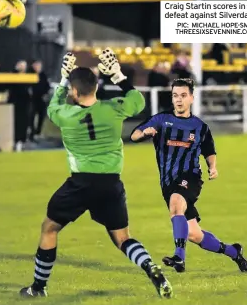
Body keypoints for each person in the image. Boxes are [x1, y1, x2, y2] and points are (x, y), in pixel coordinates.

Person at [19, 49, 173, 299]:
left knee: (49, 228)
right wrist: (118, 76)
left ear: (75, 91)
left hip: (79, 184)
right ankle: (150, 267)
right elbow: (139, 102)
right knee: (123, 238)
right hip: (111, 184)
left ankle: (38, 288)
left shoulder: (66, 115)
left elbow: (51, 108)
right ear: (96, 87)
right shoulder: (113, 109)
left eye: (71, 89)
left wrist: (62, 79)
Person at [130, 78, 247, 274]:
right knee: (194, 234)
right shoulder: (161, 119)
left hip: (191, 177)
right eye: (175, 95)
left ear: (192, 98)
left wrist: (213, 167)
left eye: (183, 95)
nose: (179, 100)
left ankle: (179, 257)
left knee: (176, 203)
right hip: (168, 182)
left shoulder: (199, 127)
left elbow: (209, 150)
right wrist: (144, 133)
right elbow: (134, 134)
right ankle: (233, 251)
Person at [8, 60, 30, 152]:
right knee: (15, 122)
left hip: (25, 102)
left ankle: (22, 141)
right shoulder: (13, 75)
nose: (23, 67)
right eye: (21, 66)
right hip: (16, 103)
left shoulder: (28, 76)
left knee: (24, 122)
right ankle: (16, 141)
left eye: (24, 66)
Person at [28, 60, 50, 141]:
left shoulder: (43, 75)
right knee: (31, 116)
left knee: (42, 115)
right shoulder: (30, 74)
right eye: (35, 65)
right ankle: (32, 132)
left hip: (42, 99)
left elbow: (47, 86)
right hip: (32, 99)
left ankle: (38, 132)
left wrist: (45, 94)